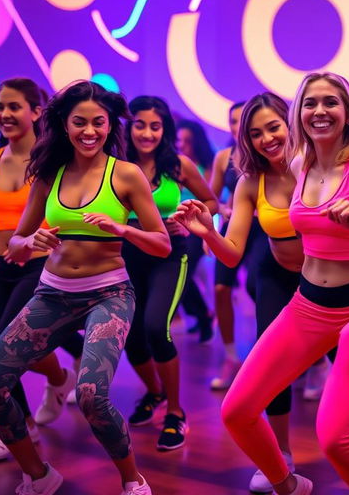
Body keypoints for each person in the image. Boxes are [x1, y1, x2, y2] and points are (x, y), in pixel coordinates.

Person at [208, 72, 349, 495]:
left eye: (330, 102)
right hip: (308, 305)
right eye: (310, 103)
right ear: (300, 114)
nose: (319, 111)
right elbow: (247, 227)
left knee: (335, 438)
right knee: (236, 410)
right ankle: (288, 485)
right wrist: (207, 227)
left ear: (348, 113)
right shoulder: (300, 164)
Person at [0, 80, 171, 494]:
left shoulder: (124, 174)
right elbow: (16, 246)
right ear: (64, 124)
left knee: (92, 395)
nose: (89, 131)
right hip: (52, 293)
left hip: (108, 295)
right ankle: (38, 475)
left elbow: (161, 244)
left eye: (98, 123)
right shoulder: (48, 173)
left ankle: (133, 480)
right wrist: (30, 242)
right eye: (79, 122)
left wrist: (121, 228)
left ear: (109, 126)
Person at [175, 92, 307, 492]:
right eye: (255, 133)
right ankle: (281, 453)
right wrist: (208, 231)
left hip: (331, 278)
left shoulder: (319, 167)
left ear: (290, 123)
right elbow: (231, 256)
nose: (267, 138)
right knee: (272, 365)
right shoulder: (251, 182)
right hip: (277, 273)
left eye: (273, 127)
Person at [0, 78, 81, 462]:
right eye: (0, 106)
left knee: (3, 349)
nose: (5, 114)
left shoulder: (50, 162)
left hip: (41, 268)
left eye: (14, 106)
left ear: (36, 112)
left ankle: (51, 387)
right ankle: (26, 418)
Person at [123, 96, 217, 451]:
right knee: (130, 335)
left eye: (155, 126)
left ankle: (175, 412)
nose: (147, 133)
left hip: (168, 254)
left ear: (165, 130)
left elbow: (211, 203)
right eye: (139, 124)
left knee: (154, 326)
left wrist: (188, 218)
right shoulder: (115, 166)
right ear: (128, 127)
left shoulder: (178, 165)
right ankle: (154, 392)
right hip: (127, 255)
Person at [208, 102, 268, 390]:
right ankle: (231, 356)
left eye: (240, 121)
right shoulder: (223, 157)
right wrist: (222, 212)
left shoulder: (265, 155)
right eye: (232, 121)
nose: (236, 126)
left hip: (262, 230)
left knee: (259, 288)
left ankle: (275, 356)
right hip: (234, 226)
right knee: (220, 288)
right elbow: (212, 199)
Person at [175, 119, 216, 343]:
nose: (182, 145)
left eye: (187, 141)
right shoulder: (173, 166)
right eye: (179, 140)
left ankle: (202, 314)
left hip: (197, 230)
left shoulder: (206, 167)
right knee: (179, 276)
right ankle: (202, 315)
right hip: (175, 228)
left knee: (182, 275)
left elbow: (211, 200)